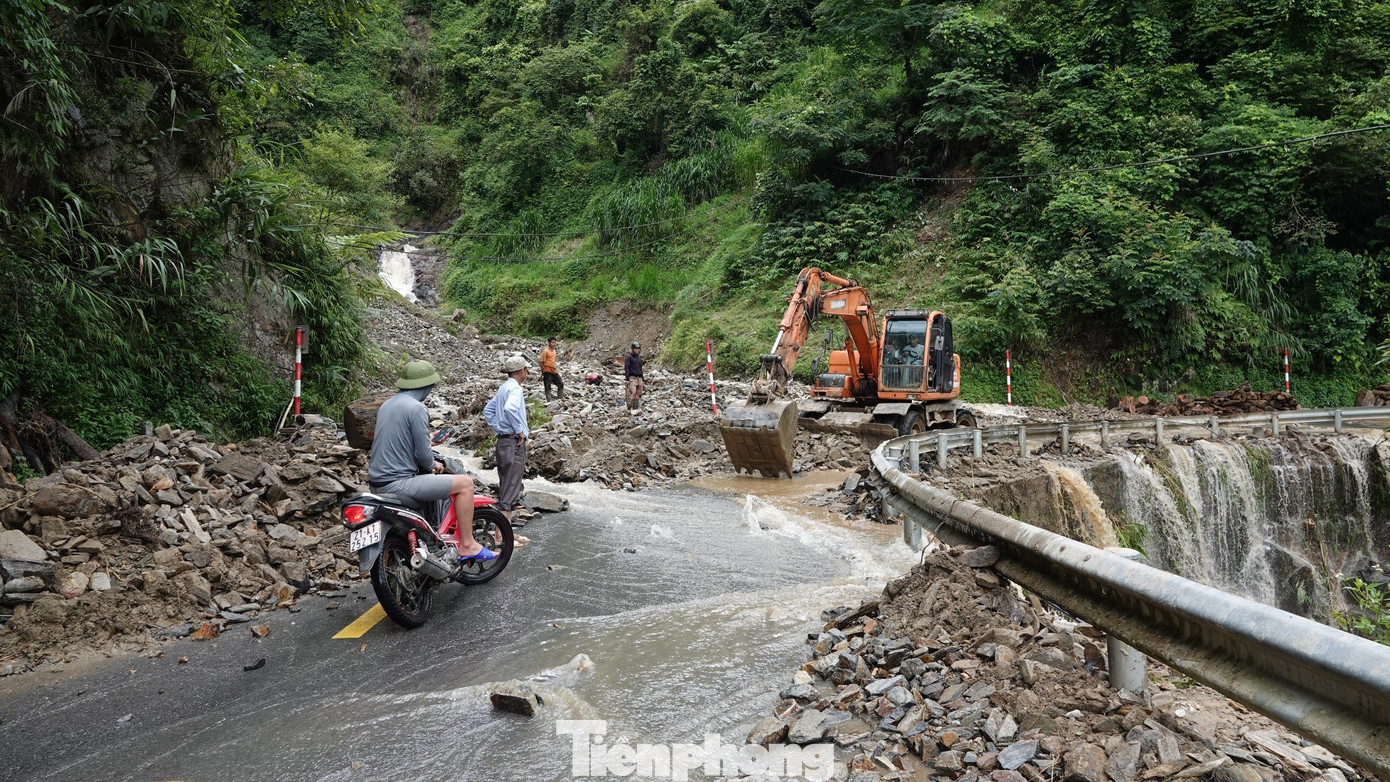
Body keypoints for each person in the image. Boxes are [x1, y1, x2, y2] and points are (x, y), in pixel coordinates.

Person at [368, 360, 492, 561]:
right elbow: (424, 458)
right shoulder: (417, 408)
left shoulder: (387, 405)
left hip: (377, 483)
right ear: (426, 385)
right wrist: (434, 465)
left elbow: (399, 440)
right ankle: (468, 545)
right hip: (399, 484)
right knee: (465, 484)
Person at [483, 355, 530, 520]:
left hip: (503, 441)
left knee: (506, 485)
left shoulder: (503, 388)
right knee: (511, 487)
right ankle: (500, 536)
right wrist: (519, 431)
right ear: (522, 371)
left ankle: (505, 530)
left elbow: (488, 410)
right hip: (513, 443)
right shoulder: (516, 389)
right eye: (526, 370)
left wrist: (498, 428)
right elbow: (510, 409)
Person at [540, 336, 564, 400]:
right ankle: (549, 401)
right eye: (553, 342)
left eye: (555, 342)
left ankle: (560, 399)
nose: (554, 344)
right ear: (549, 343)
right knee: (547, 386)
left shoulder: (554, 351)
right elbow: (541, 362)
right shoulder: (545, 351)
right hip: (547, 370)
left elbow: (554, 361)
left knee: (560, 384)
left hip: (553, 370)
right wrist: (543, 371)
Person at [624, 342, 645, 410]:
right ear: (632, 349)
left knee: (638, 394)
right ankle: (629, 408)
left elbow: (640, 368)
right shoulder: (629, 357)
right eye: (636, 349)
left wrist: (643, 379)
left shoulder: (638, 357)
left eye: (638, 349)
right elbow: (626, 367)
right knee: (633, 392)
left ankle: (635, 408)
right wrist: (627, 379)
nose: (637, 350)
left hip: (639, 378)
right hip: (632, 377)